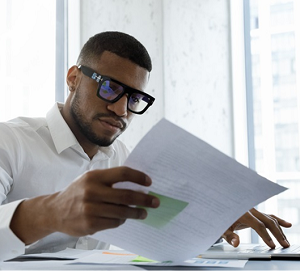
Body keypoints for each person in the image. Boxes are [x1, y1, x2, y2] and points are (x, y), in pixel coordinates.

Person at [0, 31, 292, 261]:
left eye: (135, 98)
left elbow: (157, 227)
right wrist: (52, 212)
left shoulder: (125, 160)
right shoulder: (10, 141)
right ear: (74, 79)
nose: (122, 110)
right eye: (110, 88)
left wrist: (213, 222)